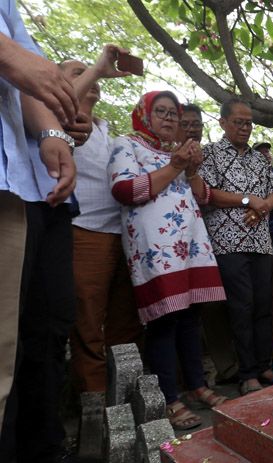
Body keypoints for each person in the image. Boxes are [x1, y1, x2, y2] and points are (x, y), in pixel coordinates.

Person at [108, 90, 228, 430]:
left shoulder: (175, 152)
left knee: (191, 316)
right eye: (160, 112)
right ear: (144, 115)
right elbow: (125, 191)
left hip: (189, 243)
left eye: (173, 114)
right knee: (164, 319)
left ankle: (197, 386)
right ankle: (169, 398)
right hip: (154, 247)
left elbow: (203, 196)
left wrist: (189, 169)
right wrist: (175, 165)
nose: (168, 119)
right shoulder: (126, 144)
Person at [0, 2, 85, 459]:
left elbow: (32, 84)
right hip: (20, 192)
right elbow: (22, 64)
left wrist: (54, 135)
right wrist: (8, 55)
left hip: (24, 191)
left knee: (30, 339)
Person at [63, 53, 144, 394]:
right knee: (88, 325)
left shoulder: (109, 134)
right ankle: (93, 406)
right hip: (85, 233)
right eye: (78, 73)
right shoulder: (55, 123)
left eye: (92, 72)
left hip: (122, 236)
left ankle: (123, 401)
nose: (92, 78)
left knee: (125, 324)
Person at [199, 98, 273, 395]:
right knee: (241, 306)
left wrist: (262, 207)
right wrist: (247, 200)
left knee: (263, 304)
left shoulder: (260, 159)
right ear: (222, 122)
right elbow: (207, 193)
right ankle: (247, 373)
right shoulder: (210, 154)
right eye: (239, 122)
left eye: (249, 123)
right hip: (227, 241)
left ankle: (263, 364)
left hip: (260, 240)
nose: (245, 128)